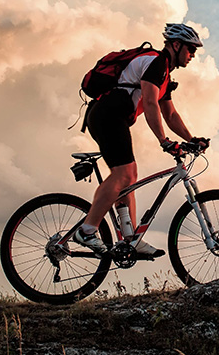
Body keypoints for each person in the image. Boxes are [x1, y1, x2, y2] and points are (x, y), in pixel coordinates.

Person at [74, 23, 210, 257]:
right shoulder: (156, 63)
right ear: (176, 45)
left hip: (113, 118)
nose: (193, 55)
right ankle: (87, 231)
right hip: (107, 115)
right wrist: (163, 141)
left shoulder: (164, 74)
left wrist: (192, 139)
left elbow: (170, 114)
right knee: (123, 175)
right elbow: (149, 102)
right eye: (191, 49)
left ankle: (130, 238)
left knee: (129, 176)